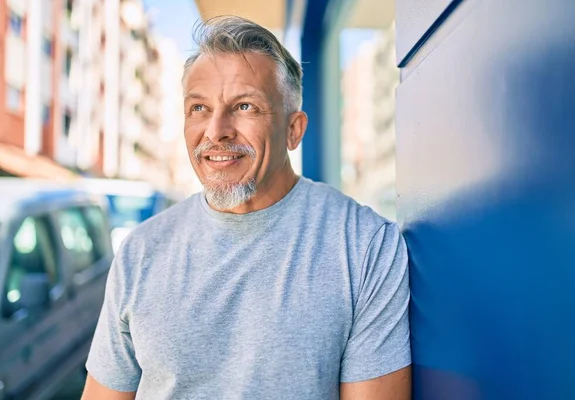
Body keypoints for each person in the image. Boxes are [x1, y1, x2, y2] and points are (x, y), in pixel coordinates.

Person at [82, 15, 411, 400]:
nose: (216, 130)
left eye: (244, 106)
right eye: (198, 109)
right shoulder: (140, 252)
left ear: (294, 130)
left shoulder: (365, 245)